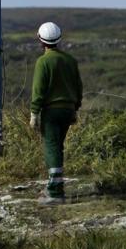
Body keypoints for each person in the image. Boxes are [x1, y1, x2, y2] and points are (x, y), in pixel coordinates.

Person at [29, 21, 82, 205]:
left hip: (51, 111)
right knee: (58, 147)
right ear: (59, 39)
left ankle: (55, 192)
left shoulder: (43, 62)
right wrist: (75, 108)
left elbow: (38, 90)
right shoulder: (70, 61)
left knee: (51, 147)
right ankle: (55, 186)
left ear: (40, 40)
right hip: (68, 110)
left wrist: (34, 113)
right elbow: (78, 87)